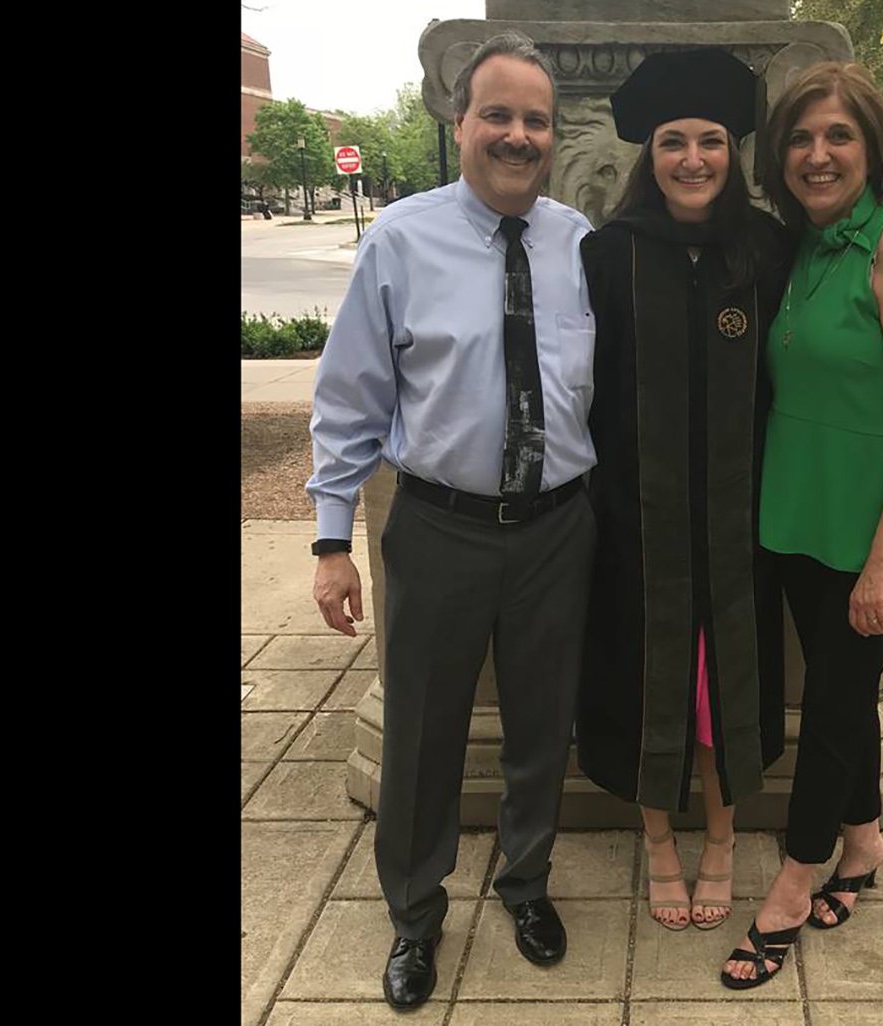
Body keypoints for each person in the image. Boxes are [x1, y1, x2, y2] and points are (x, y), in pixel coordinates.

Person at [305, 31, 597, 1010]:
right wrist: (331, 539)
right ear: (461, 122)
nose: (517, 134)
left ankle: (524, 883)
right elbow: (348, 398)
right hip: (438, 529)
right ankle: (416, 914)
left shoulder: (579, 246)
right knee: (423, 731)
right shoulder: (401, 239)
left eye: (535, 119)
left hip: (557, 527)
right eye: (497, 115)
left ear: (553, 135)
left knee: (539, 722)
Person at [721, 60, 883, 990]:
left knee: (828, 703)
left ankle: (794, 878)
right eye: (798, 138)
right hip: (800, 509)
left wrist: (882, 566)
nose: (816, 155)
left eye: (837, 137)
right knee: (837, 686)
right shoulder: (801, 246)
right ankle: (864, 847)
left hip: (881, 525)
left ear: (873, 148)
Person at [575, 48, 790, 934]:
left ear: (733, 152)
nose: (693, 159)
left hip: (746, 524)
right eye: (673, 142)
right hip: (639, 524)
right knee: (652, 678)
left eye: (709, 140)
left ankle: (723, 840)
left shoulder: (771, 250)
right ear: (648, 154)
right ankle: (660, 840)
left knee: (720, 688)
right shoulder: (606, 256)